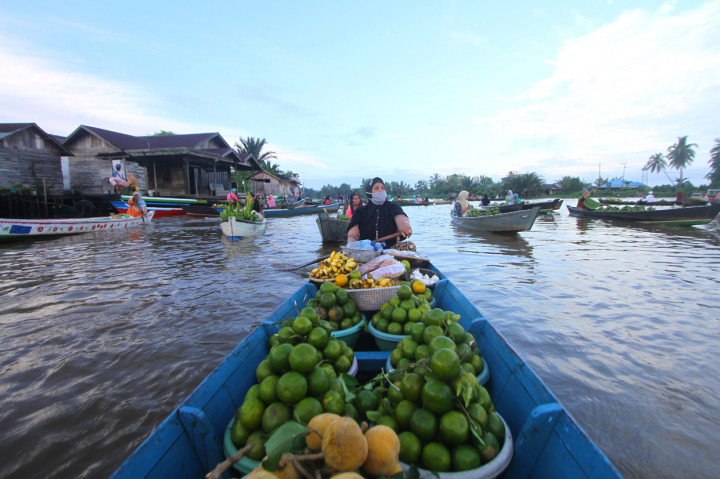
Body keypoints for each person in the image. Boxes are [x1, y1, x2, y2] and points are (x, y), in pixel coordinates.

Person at [347, 177, 412, 248]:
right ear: (369, 192)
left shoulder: (393, 206)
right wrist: (351, 245)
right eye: (376, 188)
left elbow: (401, 218)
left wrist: (405, 225)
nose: (380, 191)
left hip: (390, 247)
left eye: (383, 188)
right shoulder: (360, 211)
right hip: (366, 248)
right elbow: (353, 235)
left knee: (411, 246)